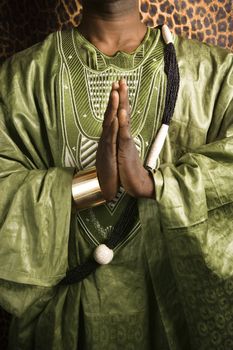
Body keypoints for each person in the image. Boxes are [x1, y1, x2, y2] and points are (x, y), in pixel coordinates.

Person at [0, 0, 232, 349]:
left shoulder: (216, 75)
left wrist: (156, 184)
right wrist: (90, 185)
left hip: (173, 325)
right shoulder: (21, 80)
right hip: (63, 327)